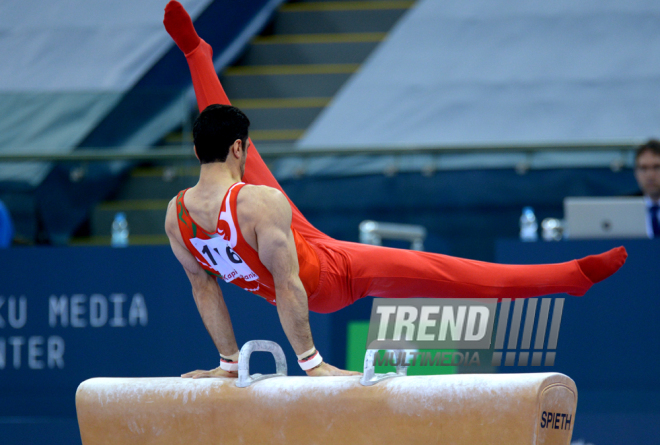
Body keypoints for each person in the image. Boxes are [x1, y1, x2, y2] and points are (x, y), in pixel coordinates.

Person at [162, 1, 628, 378]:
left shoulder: (175, 215)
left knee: (238, 158)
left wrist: (227, 363)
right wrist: (312, 363)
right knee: (447, 273)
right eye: (243, 148)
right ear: (237, 150)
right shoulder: (258, 202)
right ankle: (570, 277)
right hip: (330, 276)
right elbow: (288, 286)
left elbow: (204, 289)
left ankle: (195, 54)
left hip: (292, 243)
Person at [634, 140, 660, 238]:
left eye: (657, 167)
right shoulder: (622, 207)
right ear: (636, 172)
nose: (650, 175)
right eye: (643, 168)